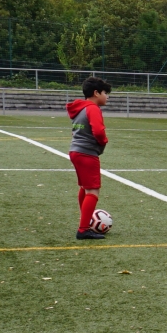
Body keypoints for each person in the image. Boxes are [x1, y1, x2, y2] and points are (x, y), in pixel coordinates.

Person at [66, 76, 111, 240]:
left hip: (76, 150)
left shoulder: (80, 108)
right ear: (96, 93)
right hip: (86, 153)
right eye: (105, 93)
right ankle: (83, 229)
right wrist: (104, 141)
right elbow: (98, 131)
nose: (107, 96)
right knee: (93, 190)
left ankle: (85, 221)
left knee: (85, 187)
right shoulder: (92, 108)